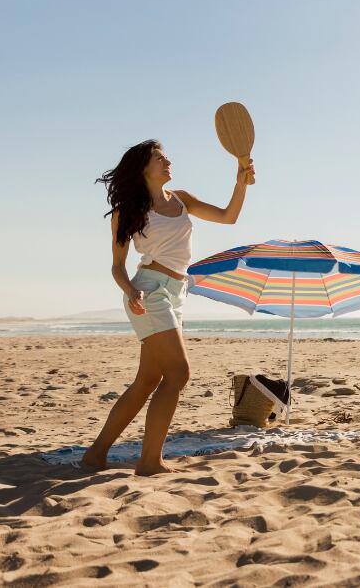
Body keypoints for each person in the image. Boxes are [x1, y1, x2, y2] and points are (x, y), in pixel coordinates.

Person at [81, 140, 255, 475]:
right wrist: (131, 291)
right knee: (179, 373)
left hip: (177, 294)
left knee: (147, 380)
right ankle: (149, 462)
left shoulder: (183, 200)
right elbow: (118, 266)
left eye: (166, 157)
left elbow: (229, 217)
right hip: (148, 293)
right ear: (143, 168)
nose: (167, 161)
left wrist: (239, 182)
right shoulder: (128, 211)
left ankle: (95, 454)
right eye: (160, 158)